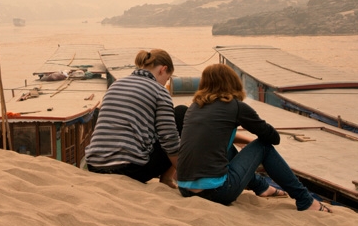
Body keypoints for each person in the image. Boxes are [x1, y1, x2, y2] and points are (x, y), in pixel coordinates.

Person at [177, 63, 332, 212]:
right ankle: (305, 200)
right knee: (263, 146)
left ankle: (261, 187)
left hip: (184, 188)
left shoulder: (194, 107)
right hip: (217, 192)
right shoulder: (235, 106)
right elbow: (273, 137)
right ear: (232, 82)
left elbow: (215, 138)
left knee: (226, 147)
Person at [85, 49, 180, 188]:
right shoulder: (159, 91)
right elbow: (169, 139)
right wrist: (184, 174)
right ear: (163, 69)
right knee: (181, 113)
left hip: (94, 165)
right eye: (167, 79)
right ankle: (166, 179)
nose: (165, 84)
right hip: (129, 169)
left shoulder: (115, 85)